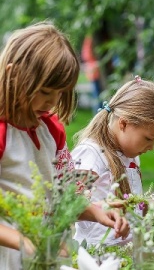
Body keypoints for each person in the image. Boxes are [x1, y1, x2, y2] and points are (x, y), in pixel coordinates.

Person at [0, 21, 129, 269]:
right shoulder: (3, 134)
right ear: (13, 74)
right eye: (45, 91)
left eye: (59, 93)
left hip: (42, 255)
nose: (51, 102)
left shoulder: (50, 130)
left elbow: (63, 194)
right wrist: (23, 240)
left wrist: (94, 211)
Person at [71, 75, 154, 246]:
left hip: (126, 254)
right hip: (96, 256)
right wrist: (100, 210)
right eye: (148, 138)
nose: (152, 148)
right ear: (124, 124)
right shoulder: (91, 155)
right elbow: (66, 205)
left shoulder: (130, 155)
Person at [81, 35, 103, 114]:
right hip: (94, 73)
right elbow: (87, 55)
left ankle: (98, 113)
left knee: (97, 95)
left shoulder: (88, 40)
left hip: (93, 73)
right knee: (97, 96)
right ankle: (98, 114)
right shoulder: (90, 39)